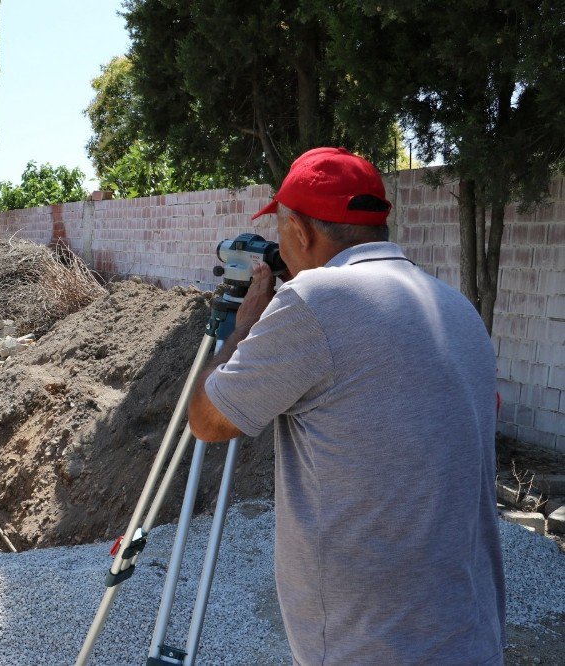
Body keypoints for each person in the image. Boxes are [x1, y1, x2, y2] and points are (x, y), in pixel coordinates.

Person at [188, 147, 505, 665]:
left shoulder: (315, 300)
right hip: (467, 636)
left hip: (369, 648)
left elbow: (207, 419)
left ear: (301, 231)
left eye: (283, 232)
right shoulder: (453, 305)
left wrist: (244, 327)